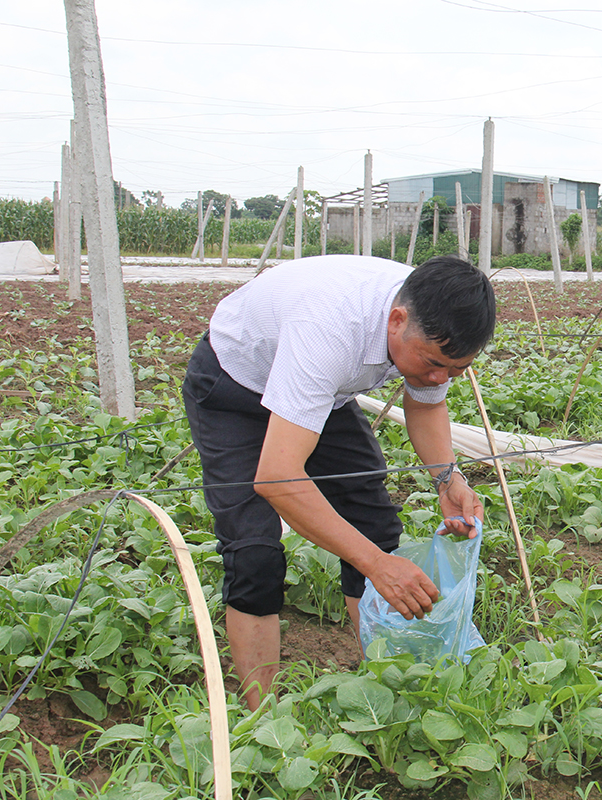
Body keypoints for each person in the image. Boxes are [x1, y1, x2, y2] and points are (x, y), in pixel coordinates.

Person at [181, 254, 496, 709]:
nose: (438, 378)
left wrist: (448, 479)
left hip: (321, 394)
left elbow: (427, 403)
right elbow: (277, 478)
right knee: (254, 554)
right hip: (234, 387)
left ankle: (382, 692)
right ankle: (262, 720)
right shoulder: (330, 330)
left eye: (455, 370)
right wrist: (377, 565)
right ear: (396, 320)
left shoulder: (433, 321)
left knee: (374, 526)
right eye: (432, 363)